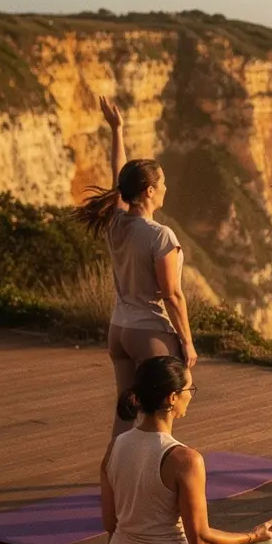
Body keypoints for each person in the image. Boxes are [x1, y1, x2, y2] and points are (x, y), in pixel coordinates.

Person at [99, 356, 272, 544]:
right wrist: (254, 536)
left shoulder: (114, 446)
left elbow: (110, 524)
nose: (190, 397)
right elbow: (201, 539)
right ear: (172, 397)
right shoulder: (185, 460)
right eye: (189, 389)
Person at [74, 97, 197, 438]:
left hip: (120, 330)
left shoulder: (115, 222)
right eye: (162, 183)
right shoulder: (160, 235)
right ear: (149, 190)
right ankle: (157, 464)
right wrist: (187, 342)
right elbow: (172, 295)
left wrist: (117, 130)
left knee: (125, 412)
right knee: (166, 409)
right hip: (150, 332)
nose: (167, 188)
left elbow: (120, 177)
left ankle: (114, 466)